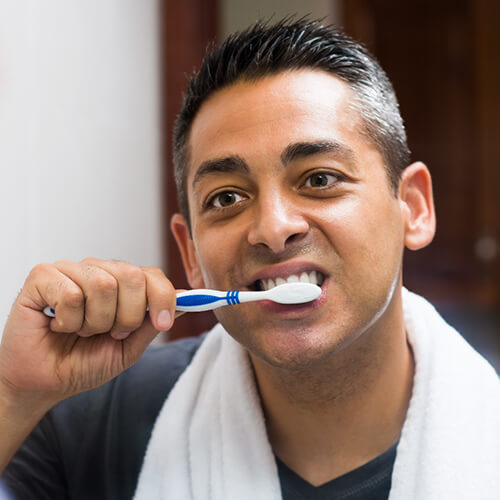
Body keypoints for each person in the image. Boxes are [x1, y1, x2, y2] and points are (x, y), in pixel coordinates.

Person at [1, 18, 499, 500]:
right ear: (189, 253)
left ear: (413, 207)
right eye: (225, 198)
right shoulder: (87, 424)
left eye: (320, 179)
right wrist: (11, 393)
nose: (273, 228)